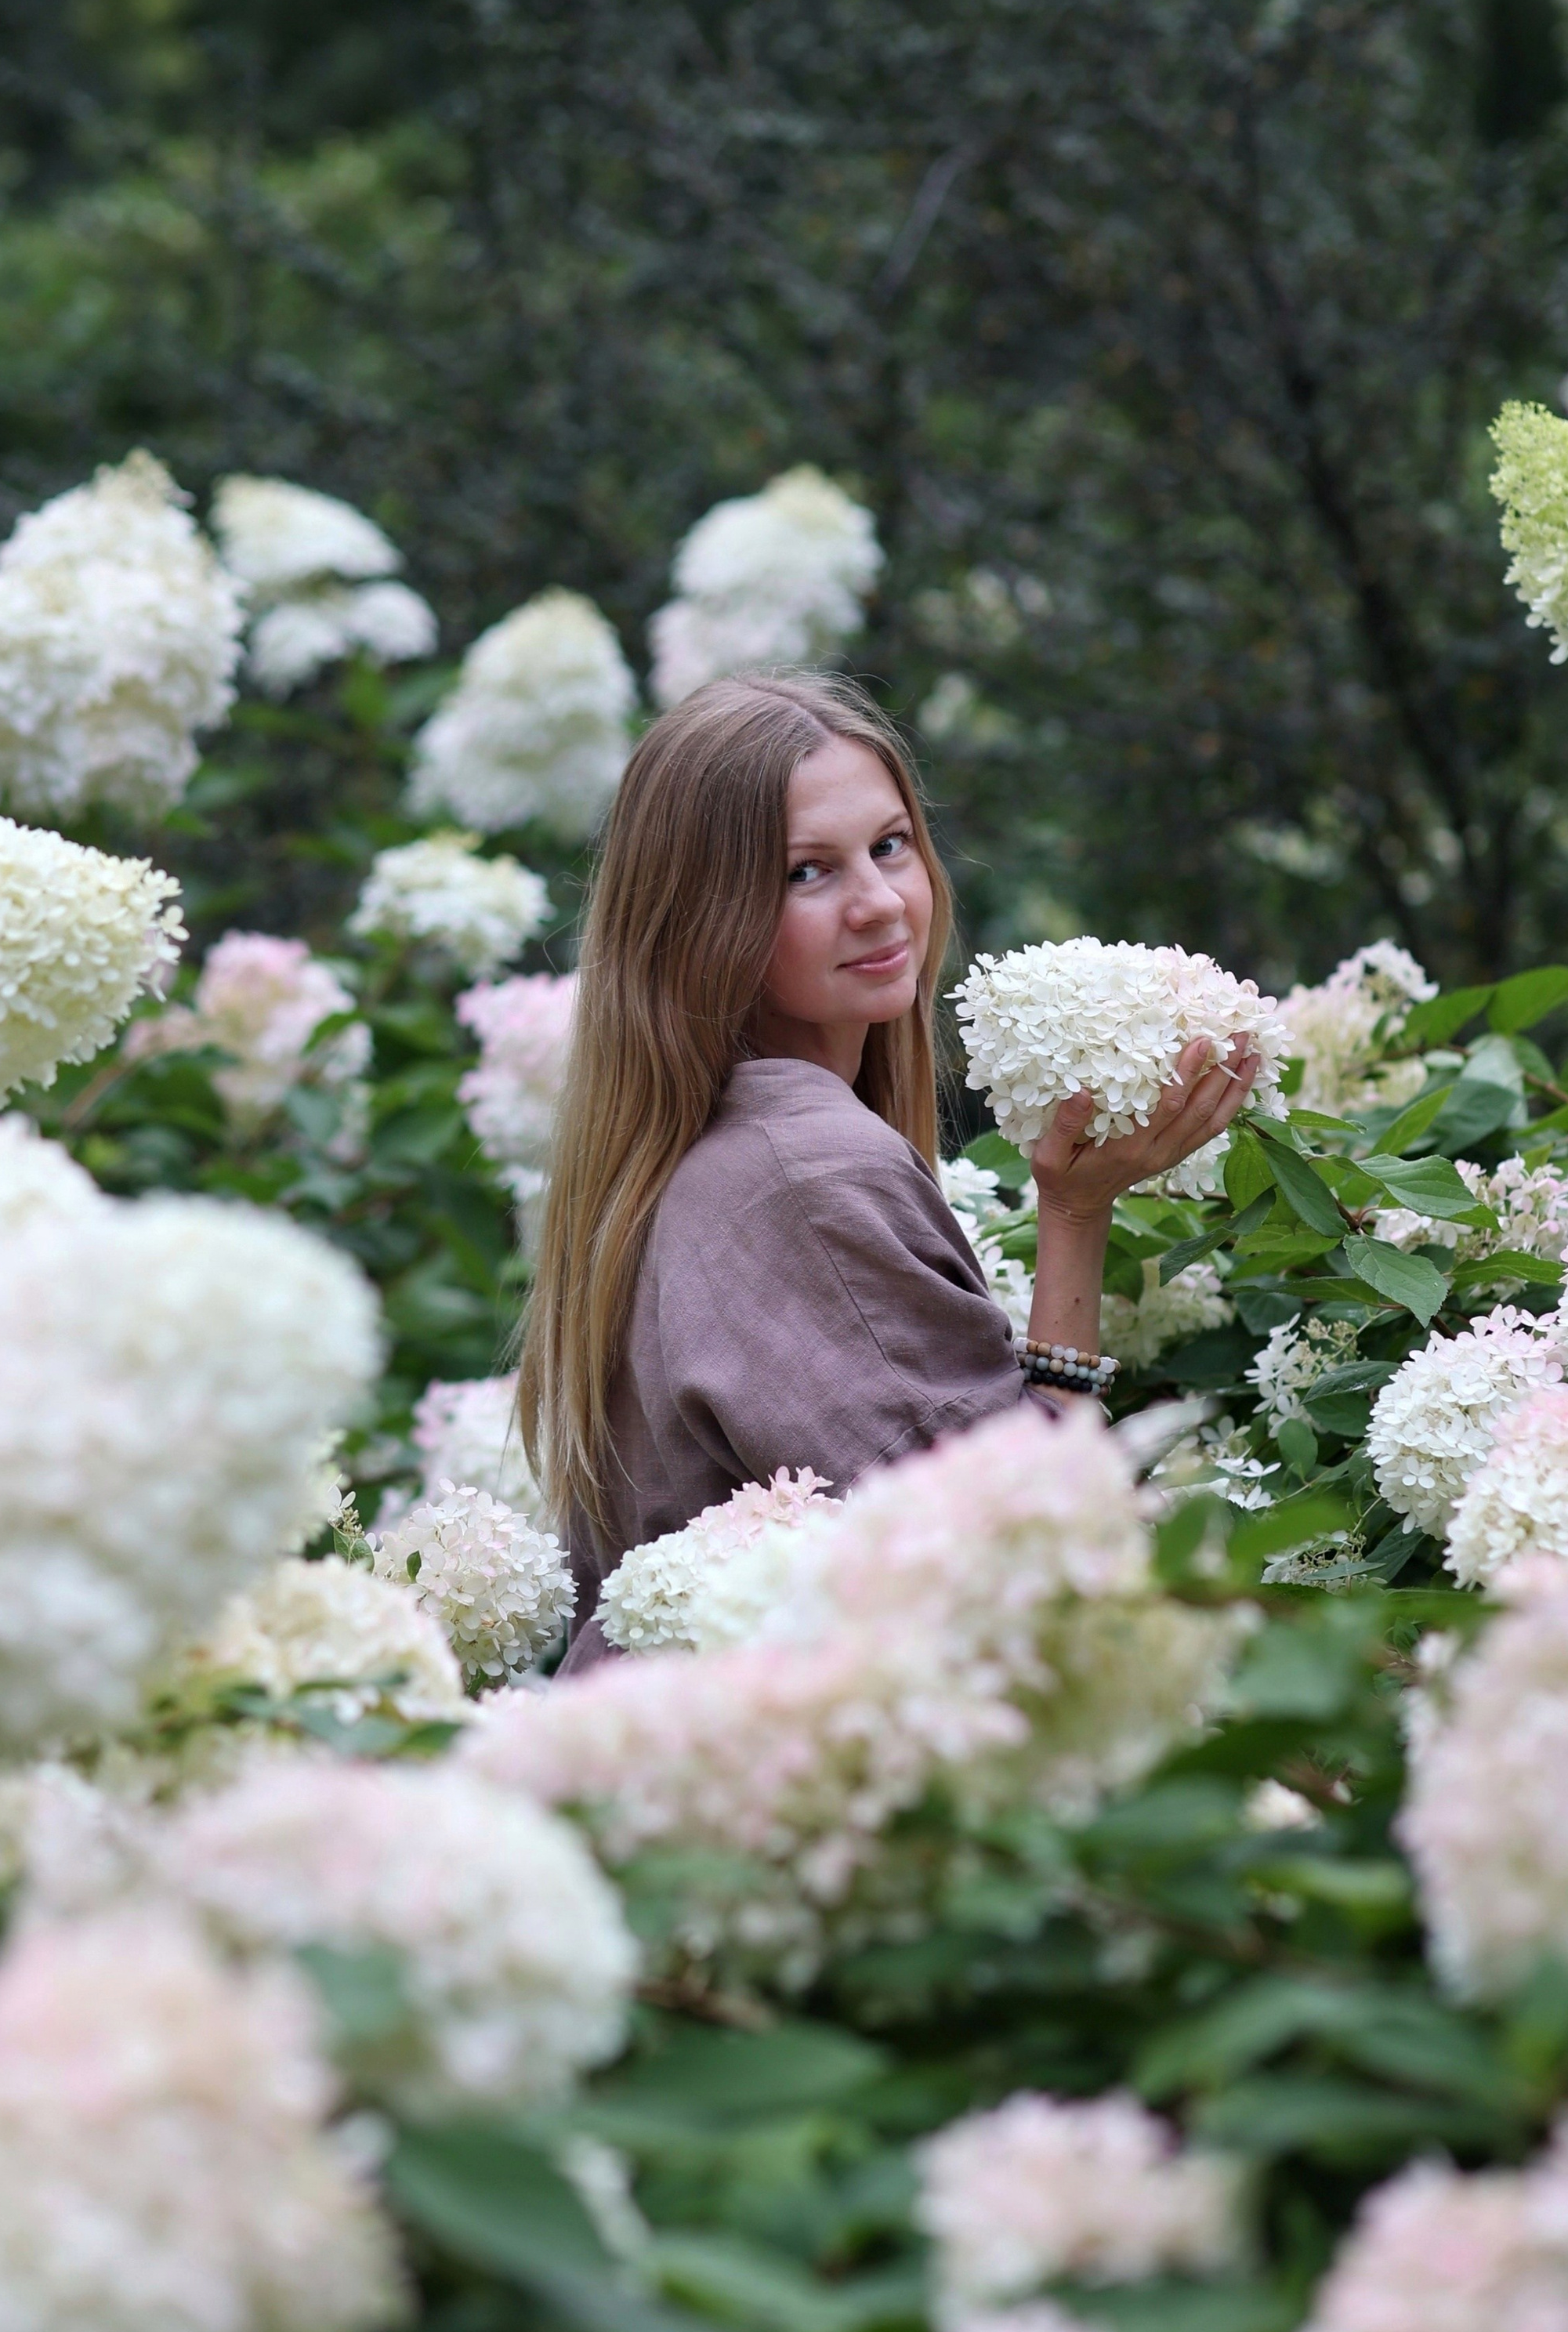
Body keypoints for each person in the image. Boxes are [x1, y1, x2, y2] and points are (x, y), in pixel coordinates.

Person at [522, 672, 1258, 1668]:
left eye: (888, 846)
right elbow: (1023, 1560)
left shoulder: (707, 1142)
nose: (877, 904)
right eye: (804, 874)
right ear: (699, 920)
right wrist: (1075, 1214)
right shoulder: (806, 1171)